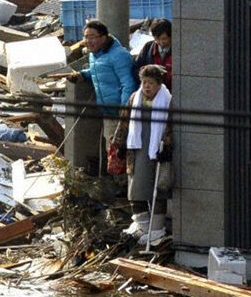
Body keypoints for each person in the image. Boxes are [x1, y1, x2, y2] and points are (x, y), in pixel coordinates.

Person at [114, 65, 173, 243]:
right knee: (136, 187)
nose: (147, 86)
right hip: (138, 147)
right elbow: (124, 120)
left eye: (151, 83)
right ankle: (142, 224)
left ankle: (156, 227)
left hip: (157, 149)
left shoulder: (168, 100)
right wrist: (120, 143)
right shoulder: (135, 98)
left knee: (158, 188)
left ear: (158, 84)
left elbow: (171, 126)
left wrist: (168, 147)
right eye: (144, 82)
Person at [67, 19, 138, 151]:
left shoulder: (119, 55)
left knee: (123, 153)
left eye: (92, 37)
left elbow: (128, 83)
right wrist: (82, 75)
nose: (88, 41)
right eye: (86, 37)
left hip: (120, 114)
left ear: (103, 37)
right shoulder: (94, 55)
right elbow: (99, 70)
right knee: (112, 153)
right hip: (108, 113)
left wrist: (124, 110)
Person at [135, 19, 172, 91]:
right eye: (157, 39)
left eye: (164, 39)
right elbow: (136, 69)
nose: (161, 42)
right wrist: (149, 69)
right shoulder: (148, 47)